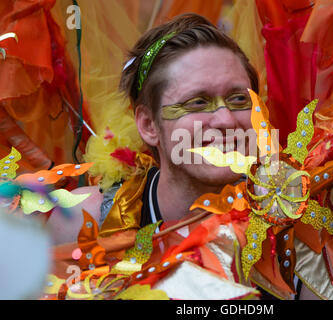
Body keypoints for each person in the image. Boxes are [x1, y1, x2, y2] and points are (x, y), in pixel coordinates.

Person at [46, 13, 318, 300]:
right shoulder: (82, 218)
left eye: (239, 99)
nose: (226, 120)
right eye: (198, 101)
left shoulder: (298, 230)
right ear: (149, 125)